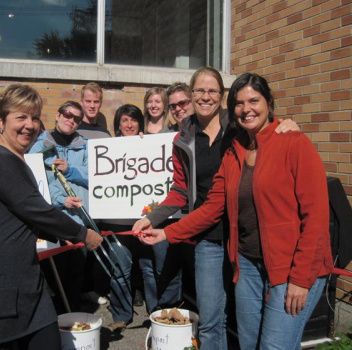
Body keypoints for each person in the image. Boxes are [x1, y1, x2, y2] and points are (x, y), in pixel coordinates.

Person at [140, 73, 333, 350]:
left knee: (274, 346)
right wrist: (165, 232)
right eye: (240, 103)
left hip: (287, 265)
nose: (247, 108)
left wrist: (301, 279)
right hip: (247, 264)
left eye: (254, 100)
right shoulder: (235, 152)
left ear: (269, 102)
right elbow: (212, 206)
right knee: (247, 342)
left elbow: (316, 218)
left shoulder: (293, 142)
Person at [0, 84, 103, 350]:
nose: (29, 125)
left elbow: (18, 212)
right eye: (20, 117)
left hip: (19, 271)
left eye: (34, 117)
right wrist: (82, 234)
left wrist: (55, 235)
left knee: (46, 336)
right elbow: (34, 207)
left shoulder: (13, 156)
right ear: (0, 120)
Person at [105, 104, 178, 333]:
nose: (129, 125)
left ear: (140, 123)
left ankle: (155, 312)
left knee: (149, 269)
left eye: (133, 120)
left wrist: (146, 145)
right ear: (118, 123)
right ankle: (121, 315)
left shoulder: (148, 142)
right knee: (120, 269)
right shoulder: (108, 147)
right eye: (124, 120)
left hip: (147, 220)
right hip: (117, 222)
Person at [30, 101, 107, 309]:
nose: (70, 120)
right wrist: (61, 199)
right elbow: (39, 184)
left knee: (76, 273)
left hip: (81, 219)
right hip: (53, 219)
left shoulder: (85, 145)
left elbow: (96, 177)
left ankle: (73, 319)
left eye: (76, 118)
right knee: (54, 275)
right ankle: (54, 320)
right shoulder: (39, 147)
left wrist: (70, 169)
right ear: (57, 115)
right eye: (67, 114)